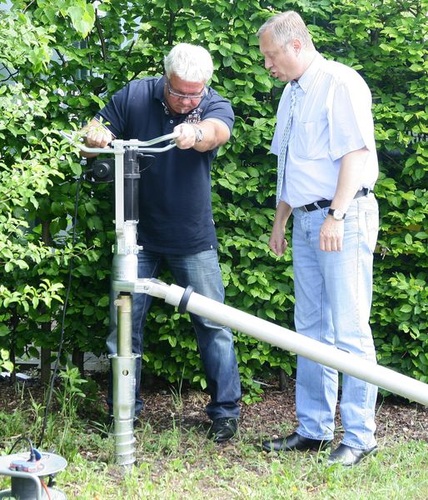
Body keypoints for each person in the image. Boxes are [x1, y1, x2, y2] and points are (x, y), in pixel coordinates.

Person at [81, 43, 241, 443]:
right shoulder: (134, 95)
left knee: (214, 323)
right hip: (135, 236)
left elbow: (216, 131)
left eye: (195, 93)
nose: (188, 101)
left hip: (192, 237)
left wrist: (196, 131)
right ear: (164, 79)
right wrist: (95, 136)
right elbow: (92, 133)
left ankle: (225, 413)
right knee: (124, 326)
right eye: (180, 92)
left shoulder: (211, 103)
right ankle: (124, 413)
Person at [257, 11, 379, 466]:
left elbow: (355, 154)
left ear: (295, 46)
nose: (267, 65)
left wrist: (335, 215)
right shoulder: (291, 95)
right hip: (306, 222)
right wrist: (280, 220)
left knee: (349, 330)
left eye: (271, 56)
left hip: (340, 218)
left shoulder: (340, 83)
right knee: (310, 330)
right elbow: (289, 163)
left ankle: (360, 437)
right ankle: (313, 429)